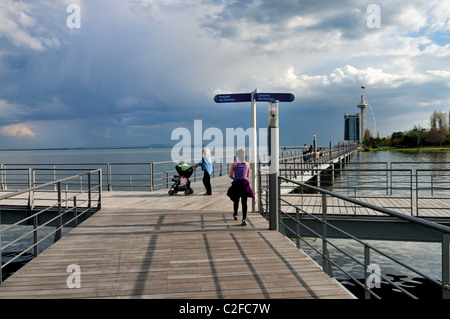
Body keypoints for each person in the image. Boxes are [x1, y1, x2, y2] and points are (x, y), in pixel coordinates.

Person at [227, 149, 254, 226]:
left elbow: (230, 175)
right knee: (244, 202)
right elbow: (247, 175)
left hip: (237, 184)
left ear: (237, 155)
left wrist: (235, 178)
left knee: (236, 200)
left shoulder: (234, 164)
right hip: (244, 184)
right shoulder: (247, 164)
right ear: (244, 155)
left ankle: (235, 214)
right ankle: (244, 219)